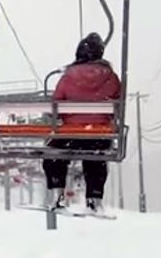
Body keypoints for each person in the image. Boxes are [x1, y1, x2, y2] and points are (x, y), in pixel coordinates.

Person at [43, 32, 122, 212]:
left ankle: (57, 195)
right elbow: (118, 100)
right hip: (99, 135)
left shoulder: (69, 75)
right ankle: (94, 200)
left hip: (71, 134)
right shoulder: (111, 76)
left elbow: (56, 102)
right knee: (96, 160)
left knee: (54, 156)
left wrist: (67, 117)